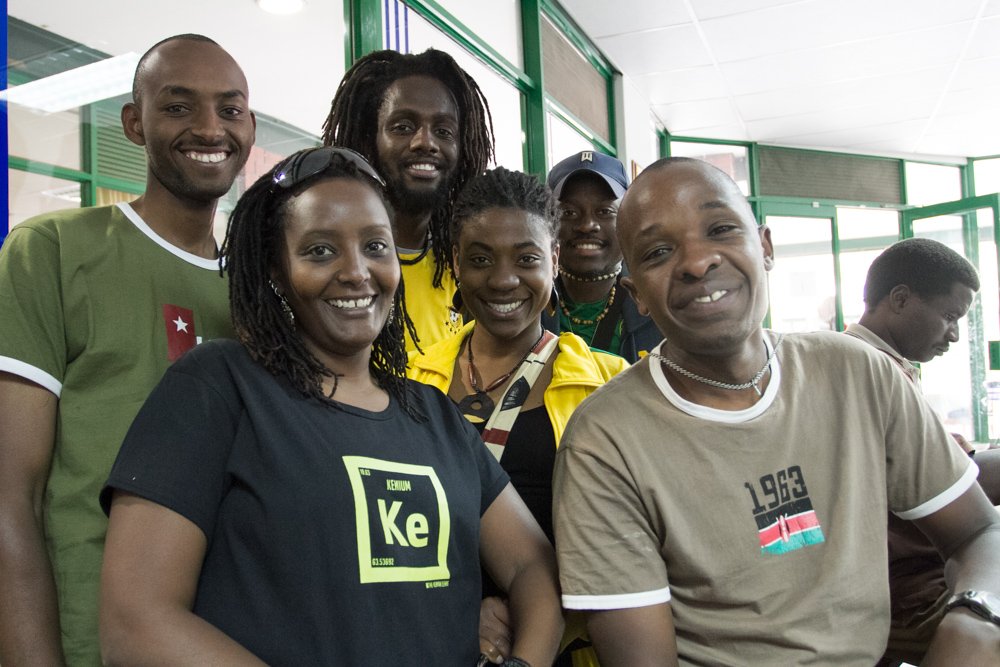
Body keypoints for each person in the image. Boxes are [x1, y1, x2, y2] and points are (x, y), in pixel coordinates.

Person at [99, 147, 563, 665]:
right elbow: (136, 623)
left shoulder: (434, 414)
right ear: (276, 270)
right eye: (321, 251)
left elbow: (532, 568)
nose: (356, 272)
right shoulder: (219, 387)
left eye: (375, 246)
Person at [552, 157, 1000, 666]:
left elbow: (980, 532)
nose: (698, 262)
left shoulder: (858, 373)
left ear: (765, 247)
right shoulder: (604, 440)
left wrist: (977, 616)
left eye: (720, 228)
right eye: (658, 251)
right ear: (638, 296)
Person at [0, 34, 255, 666]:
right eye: (178, 107)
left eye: (230, 109)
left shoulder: (260, 295)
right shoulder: (52, 251)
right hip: (87, 638)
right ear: (134, 124)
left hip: (226, 639)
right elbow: (9, 493)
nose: (208, 128)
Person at [408, 167, 627, 665]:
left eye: (526, 259)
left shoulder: (609, 386)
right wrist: (463, 609)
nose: (504, 280)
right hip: (434, 640)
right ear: (457, 263)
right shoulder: (413, 384)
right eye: (481, 259)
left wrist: (531, 617)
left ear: (553, 259)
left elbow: (624, 550)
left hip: (569, 647)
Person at [847, 237, 1000, 665]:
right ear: (899, 299)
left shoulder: (890, 365)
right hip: (904, 587)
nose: (953, 333)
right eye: (949, 316)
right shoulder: (860, 368)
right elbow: (944, 480)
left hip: (920, 570)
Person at [322, 48, 494, 351]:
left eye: (443, 131)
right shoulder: (335, 266)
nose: (425, 142)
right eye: (403, 127)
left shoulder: (464, 266)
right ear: (369, 139)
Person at [545, 150, 660, 362]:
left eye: (605, 211)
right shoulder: (527, 303)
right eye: (568, 212)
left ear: (628, 220)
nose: (587, 225)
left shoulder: (658, 305)